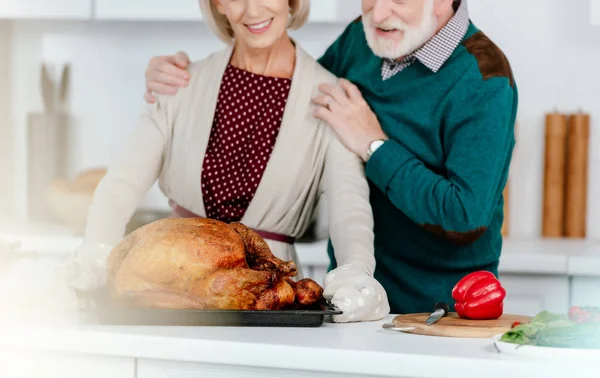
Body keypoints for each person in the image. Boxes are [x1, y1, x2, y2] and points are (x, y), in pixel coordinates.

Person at [144, 0, 518, 314]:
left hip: (439, 310)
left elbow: (465, 217)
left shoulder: (484, 79)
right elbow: (295, 97)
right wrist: (181, 79)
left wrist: (374, 146)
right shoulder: (365, 37)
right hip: (350, 299)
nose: (378, 11)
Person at [68, 0, 390, 323]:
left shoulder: (331, 100)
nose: (253, 11)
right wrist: (97, 250)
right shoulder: (178, 84)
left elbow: (351, 210)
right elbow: (119, 187)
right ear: (217, 4)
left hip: (269, 304)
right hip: (172, 292)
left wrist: (356, 273)